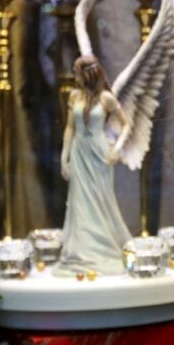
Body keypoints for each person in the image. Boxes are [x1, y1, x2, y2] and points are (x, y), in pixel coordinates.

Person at [55, 55, 132, 276]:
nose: (75, 77)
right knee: (80, 202)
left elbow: (126, 125)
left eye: (77, 72)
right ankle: (82, 251)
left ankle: (105, 247)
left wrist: (117, 148)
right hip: (80, 152)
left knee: (101, 200)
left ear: (87, 74)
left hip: (100, 154)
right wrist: (64, 157)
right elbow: (70, 128)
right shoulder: (74, 96)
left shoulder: (106, 98)